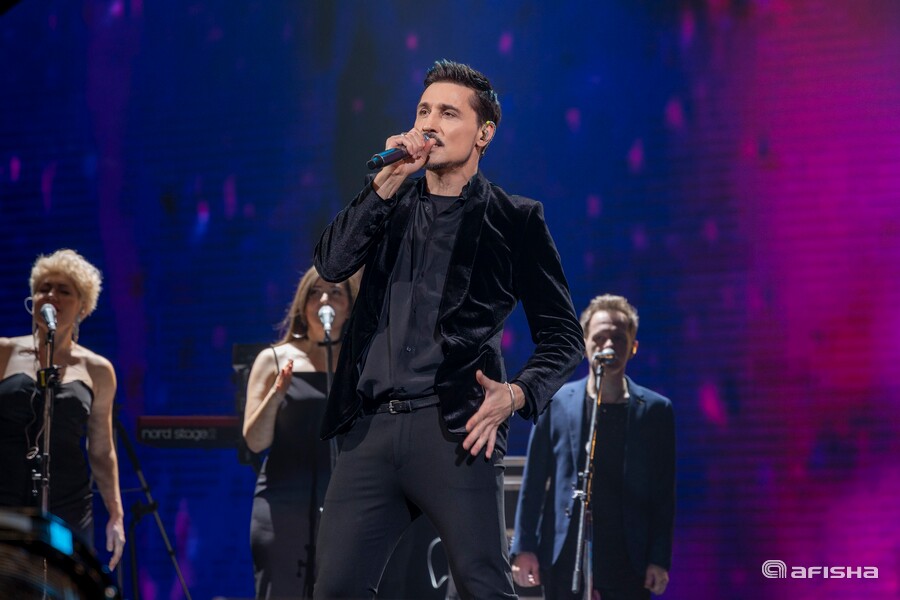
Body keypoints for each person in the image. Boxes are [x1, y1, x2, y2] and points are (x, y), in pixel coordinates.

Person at [311, 59, 584, 600]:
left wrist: (517, 394)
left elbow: (563, 335)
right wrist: (385, 184)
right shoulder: (388, 203)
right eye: (423, 110)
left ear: (484, 133)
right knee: (335, 589)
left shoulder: (514, 218)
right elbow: (332, 264)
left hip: (455, 429)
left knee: (483, 587)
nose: (429, 123)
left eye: (448, 113)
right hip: (371, 430)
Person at [510, 294, 675, 600]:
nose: (608, 345)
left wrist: (658, 558)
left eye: (618, 338)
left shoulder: (656, 411)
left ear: (633, 347)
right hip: (565, 554)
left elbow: (663, 494)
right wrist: (524, 547)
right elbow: (534, 482)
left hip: (629, 558)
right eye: (599, 337)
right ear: (584, 343)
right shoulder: (556, 403)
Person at [0, 249, 125, 570]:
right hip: (6, 497)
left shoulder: (97, 369)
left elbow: (102, 449)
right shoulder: (5, 351)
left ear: (83, 306)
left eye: (64, 290)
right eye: (44, 288)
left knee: (62, 583)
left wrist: (116, 514)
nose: (51, 296)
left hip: (68, 502)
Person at [243, 266, 360, 599]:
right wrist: (276, 394)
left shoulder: (361, 363)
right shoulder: (274, 359)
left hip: (344, 500)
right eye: (315, 292)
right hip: (283, 500)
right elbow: (255, 441)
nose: (324, 300)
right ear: (302, 303)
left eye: (335, 292)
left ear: (349, 306)